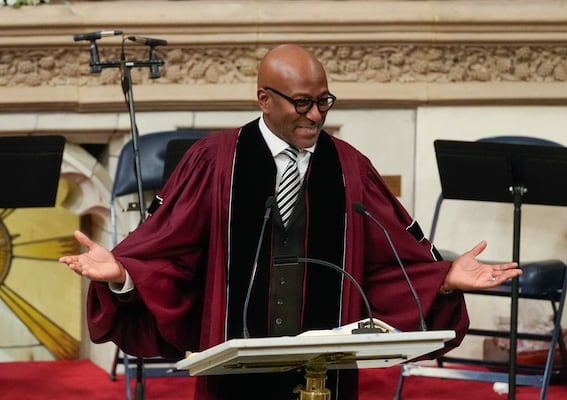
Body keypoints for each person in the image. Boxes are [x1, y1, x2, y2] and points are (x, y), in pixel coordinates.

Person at [59, 43, 521, 400]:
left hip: (327, 371)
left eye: (325, 101)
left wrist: (443, 277)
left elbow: (388, 261)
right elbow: (171, 252)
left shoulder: (349, 168)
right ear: (264, 98)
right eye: (302, 103)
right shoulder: (216, 162)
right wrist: (123, 274)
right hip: (235, 370)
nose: (317, 115)